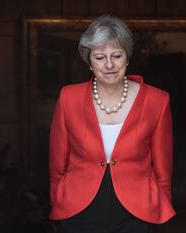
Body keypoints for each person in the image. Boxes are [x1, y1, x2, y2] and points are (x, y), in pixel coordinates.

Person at [49, 14, 176, 233]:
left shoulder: (157, 101)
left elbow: (163, 169)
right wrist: (59, 198)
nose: (109, 64)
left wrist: (159, 205)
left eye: (116, 55)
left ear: (127, 58)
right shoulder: (68, 98)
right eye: (100, 57)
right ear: (89, 61)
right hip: (78, 209)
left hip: (137, 211)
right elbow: (57, 165)